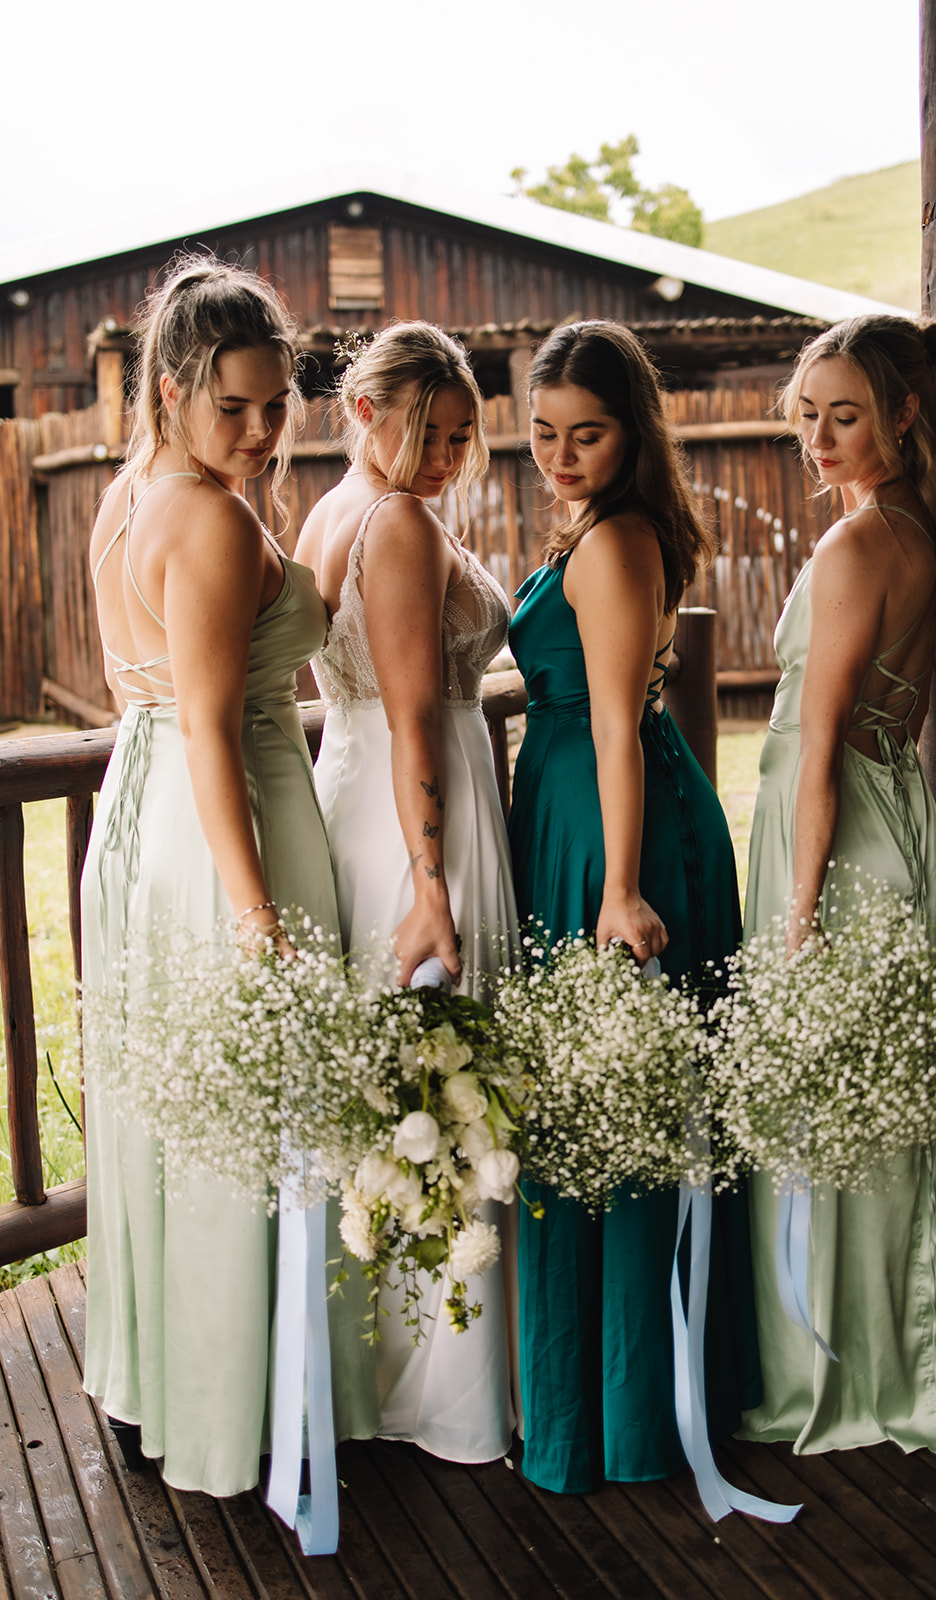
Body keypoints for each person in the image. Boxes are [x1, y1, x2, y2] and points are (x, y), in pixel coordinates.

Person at [81, 257, 378, 1496]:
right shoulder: (202, 514)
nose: (259, 434)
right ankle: (236, 1403)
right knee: (244, 1118)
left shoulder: (132, 491)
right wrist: (254, 909)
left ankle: (170, 1385)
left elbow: (146, 699)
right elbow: (210, 722)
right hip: (223, 822)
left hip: (147, 814)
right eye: (232, 410)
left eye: (274, 408)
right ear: (168, 388)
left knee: (181, 1115)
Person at [737, 313, 936, 1454]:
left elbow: (819, 751)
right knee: (883, 1116)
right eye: (806, 416)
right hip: (899, 834)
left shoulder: (853, 549)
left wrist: (792, 928)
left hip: (839, 854)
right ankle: (906, 1341)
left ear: (900, 413)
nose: (818, 438)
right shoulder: (918, 532)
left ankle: (836, 1369)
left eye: (843, 415)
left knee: (831, 1114)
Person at [507, 320, 761, 1495]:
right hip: (582, 803)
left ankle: (618, 1415)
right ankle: (608, 1397)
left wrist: (615, 886)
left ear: (631, 432)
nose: (559, 454)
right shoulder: (596, 525)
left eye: (586, 434)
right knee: (598, 1097)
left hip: (613, 826)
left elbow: (613, 720)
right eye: (543, 431)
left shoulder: (614, 542)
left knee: (614, 1101)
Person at [295, 320, 519, 1463]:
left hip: (355, 791)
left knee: (395, 1091)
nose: (443, 455)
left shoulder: (332, 510)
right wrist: (432, 888)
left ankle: (370, 1364)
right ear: (364, 412)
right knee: (440, 1075)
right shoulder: (393, 522)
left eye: (461, 436)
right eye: (426, 432)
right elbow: (418, 714)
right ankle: (432, 1387)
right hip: (414, 817)